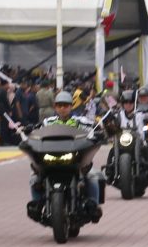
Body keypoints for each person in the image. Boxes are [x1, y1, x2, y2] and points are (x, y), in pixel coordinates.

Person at [27, 91, 102, 221]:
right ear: (55, 107)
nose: (62, 108)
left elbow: (95, 129)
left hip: (74, 159)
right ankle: (37, 204)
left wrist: (98, 132)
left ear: (71, 106)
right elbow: (36, 131)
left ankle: (93, 205)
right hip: (51, 159)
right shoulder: (48, 122)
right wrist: (28, 130)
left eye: (66, 105)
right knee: (35, 178)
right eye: (60, 105)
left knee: (91, 177)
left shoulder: (81, 121)